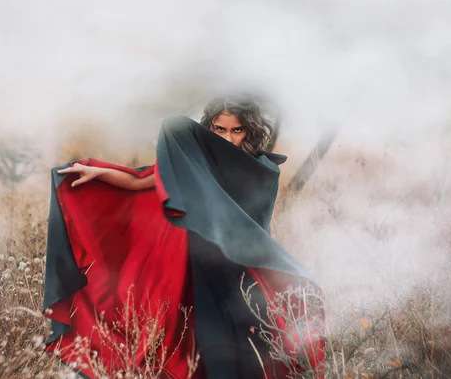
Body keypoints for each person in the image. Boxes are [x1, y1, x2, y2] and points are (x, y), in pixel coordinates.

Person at [42, 94, 325, 379]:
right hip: (200, 269)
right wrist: (96, 172)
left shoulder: (261, 169)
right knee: (209, 349)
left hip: (241, 272)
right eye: (220, 129)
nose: (228, 138)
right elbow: (141, 180)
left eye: (236, 130)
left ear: (249, 130)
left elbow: (255, 228)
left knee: (252, 352)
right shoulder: (197, 163)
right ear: (209, 129)